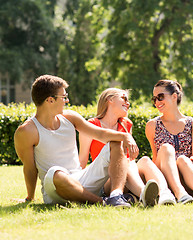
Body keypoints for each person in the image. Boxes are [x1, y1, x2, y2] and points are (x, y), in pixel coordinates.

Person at [14, 75, 138, 207]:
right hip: (56, 187)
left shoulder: (70, 117)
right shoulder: (26, 131)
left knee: (116, 141)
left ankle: (116, 196)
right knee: (56, 173)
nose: (67, 101)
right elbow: (30, 168)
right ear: (50, 100)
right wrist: (30, 197)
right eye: (64, 97)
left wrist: (125, 136)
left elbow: (100, 134)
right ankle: (102, 202)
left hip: (81, 178)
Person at [78, 88, 176, 206]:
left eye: (128, 100)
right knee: (124, 161)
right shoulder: (91, 126)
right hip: (107, 180)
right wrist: (78, 189)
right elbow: (82, 161)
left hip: (128, 176)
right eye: (124, 98)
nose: (128, 103)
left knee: (144, 160)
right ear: (110, 99)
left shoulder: (126, 124)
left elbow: (131, 159)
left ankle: (165, 194)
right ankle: (142, 194)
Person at [145, 80, 193, 204]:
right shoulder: (152, 125)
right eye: (154, 99)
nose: (157, 102)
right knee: (165, 148)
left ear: (174, 96)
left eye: (160, 97)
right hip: (166, 177)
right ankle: (180, 194)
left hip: (189, 175)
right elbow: (155, 157)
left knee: (182, 159)